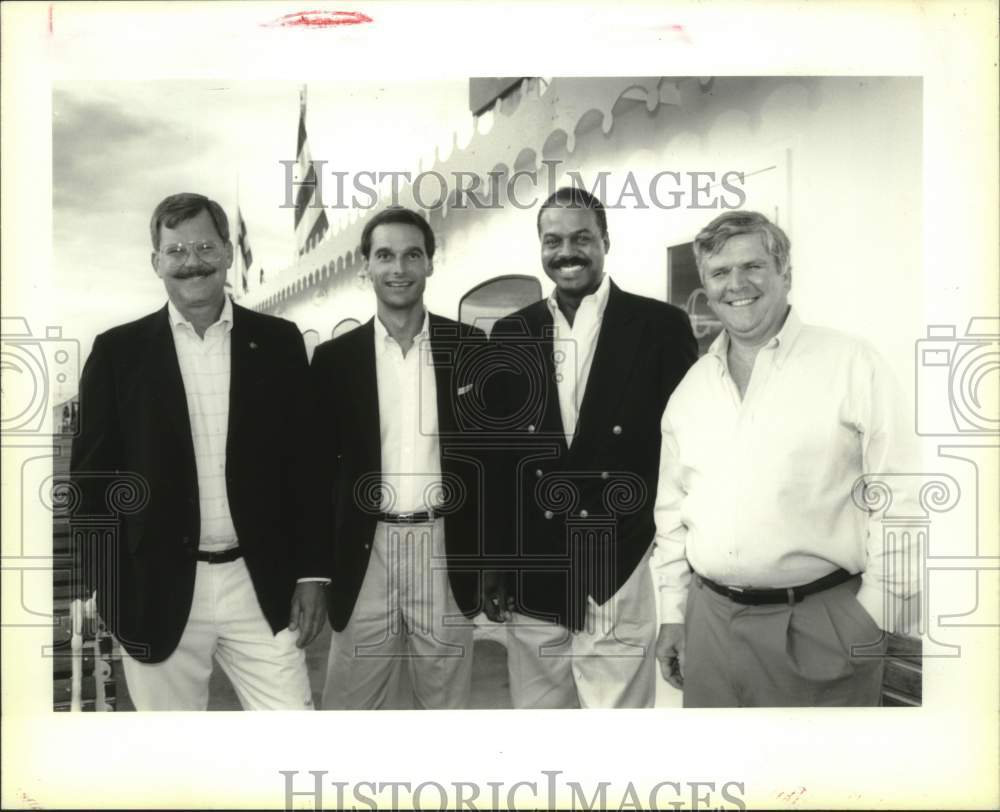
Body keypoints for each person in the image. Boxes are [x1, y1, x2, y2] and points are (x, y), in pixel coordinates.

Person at [71, 192, 328, 710]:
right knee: (171, 759)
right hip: (157, 590)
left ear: (228, 252)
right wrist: (112, 591)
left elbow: (308, 467)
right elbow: (92, 484)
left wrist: (311, 575)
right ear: (157, 262)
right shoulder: (118, 352)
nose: (193, 262)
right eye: (177, 250)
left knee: (294, 733)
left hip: (259, 585)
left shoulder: (278, 343)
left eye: (205, 247)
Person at [652, 210, 919, 707]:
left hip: (821, 624)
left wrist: (874, 615)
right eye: (719, 272)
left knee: (820, 783)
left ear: (785, 275)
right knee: (722, 779)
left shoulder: (852, 364)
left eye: (753, 266)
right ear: (706, 286)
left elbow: (903, 494)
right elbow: (672, 514)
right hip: (708, 625)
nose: (737, 284)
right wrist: (672, 612)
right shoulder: (691, 390)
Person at [484, 187, 698, 708]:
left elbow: (686, 451)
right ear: (540, 247)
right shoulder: (512, 332)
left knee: (617, 727)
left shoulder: (660, 327)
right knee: (540, 722)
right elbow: (499, 459)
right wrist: (494, 559)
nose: (567, 251)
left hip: (620, 557)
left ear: (606, 241)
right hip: (537, 562)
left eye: (582, 238)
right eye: (552, 240)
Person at [311, 206, 485, 710]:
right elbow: (317, 474)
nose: (398, 268)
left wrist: (492, 561)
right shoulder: (334, 361)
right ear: (365, 266)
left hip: (444, 548)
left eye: (412, 254)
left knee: (444, 706)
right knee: (349, 708)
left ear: (430, 263)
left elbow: (489, 467)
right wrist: (315, 572)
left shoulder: (471, 349)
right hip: (367, 553)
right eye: (384, 255)